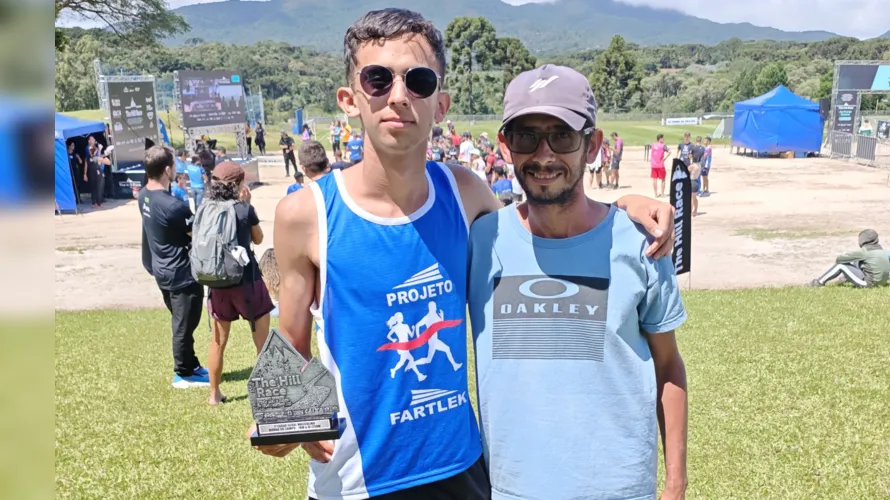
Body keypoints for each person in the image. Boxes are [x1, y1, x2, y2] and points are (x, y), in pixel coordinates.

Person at [253, 9, 676, 499]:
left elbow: (540, 223)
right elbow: (291, 342)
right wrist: (285, 424)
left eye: (418, 80)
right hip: (356, 481)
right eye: (377, 79)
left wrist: (621, 209)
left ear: (441, 102)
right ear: (350, 99)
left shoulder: (465, 193)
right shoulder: (305, 215)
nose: (397, 96)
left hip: (462, 471)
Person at [468, 63, 689, 500]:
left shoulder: (642, 243)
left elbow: (668, 366)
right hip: (510, 489)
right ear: (505, 146)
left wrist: (676, 484)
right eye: (527, 136)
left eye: (563, 136)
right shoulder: (480, 239)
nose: (544, 154)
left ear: (593, 146)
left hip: (620, 489)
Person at [203, 162, 274, 406]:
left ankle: (214, 394)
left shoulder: (205, 208)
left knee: (218, 342)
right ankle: (264, 395)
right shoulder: (243, 210)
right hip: (247, 282)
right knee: (261, 341)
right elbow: (258, 238)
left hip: (218, 284)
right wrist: (249, 205)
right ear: (239, 184)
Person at [138, 146, 209, 388]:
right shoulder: (173, 206)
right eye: (174, 166)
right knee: (184, 325)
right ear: (168, 170)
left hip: (161, 269)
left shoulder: (144, 195)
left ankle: (192, 363)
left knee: (183, 322)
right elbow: (197, 235)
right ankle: (184, 373)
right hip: (180, 274)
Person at [808, 229, 890, 288]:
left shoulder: (864, 252)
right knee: (857, 262)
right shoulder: (882, 250)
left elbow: (839, 259)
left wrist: (846, 255)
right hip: (882, 283)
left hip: (869, 284)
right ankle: (845, 279)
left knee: (840, 266)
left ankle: (818, 282)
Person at [85, 135, 110, 208]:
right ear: (89, 141)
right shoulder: (88, 148)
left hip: (98, 168)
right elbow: (93, 157)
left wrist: (103, 153)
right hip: (92, 169)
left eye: (94, 139)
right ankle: (94, 202)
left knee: (100, 186)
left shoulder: (96, 148)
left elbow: (99, 158)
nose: (93, 140)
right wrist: (85, 173)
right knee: (94, 186)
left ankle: (99, 202)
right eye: (91, 139)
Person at [649, 133, 668, 197]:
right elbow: (669, 151)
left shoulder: (653, 145)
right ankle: (662, 194)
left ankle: (656, 194)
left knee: (654, 179)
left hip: (653, 165)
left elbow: (650, 146)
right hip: (660, 165)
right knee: (663, 179)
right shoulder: (663, 146)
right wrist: (665, 158)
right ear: (660, 139)